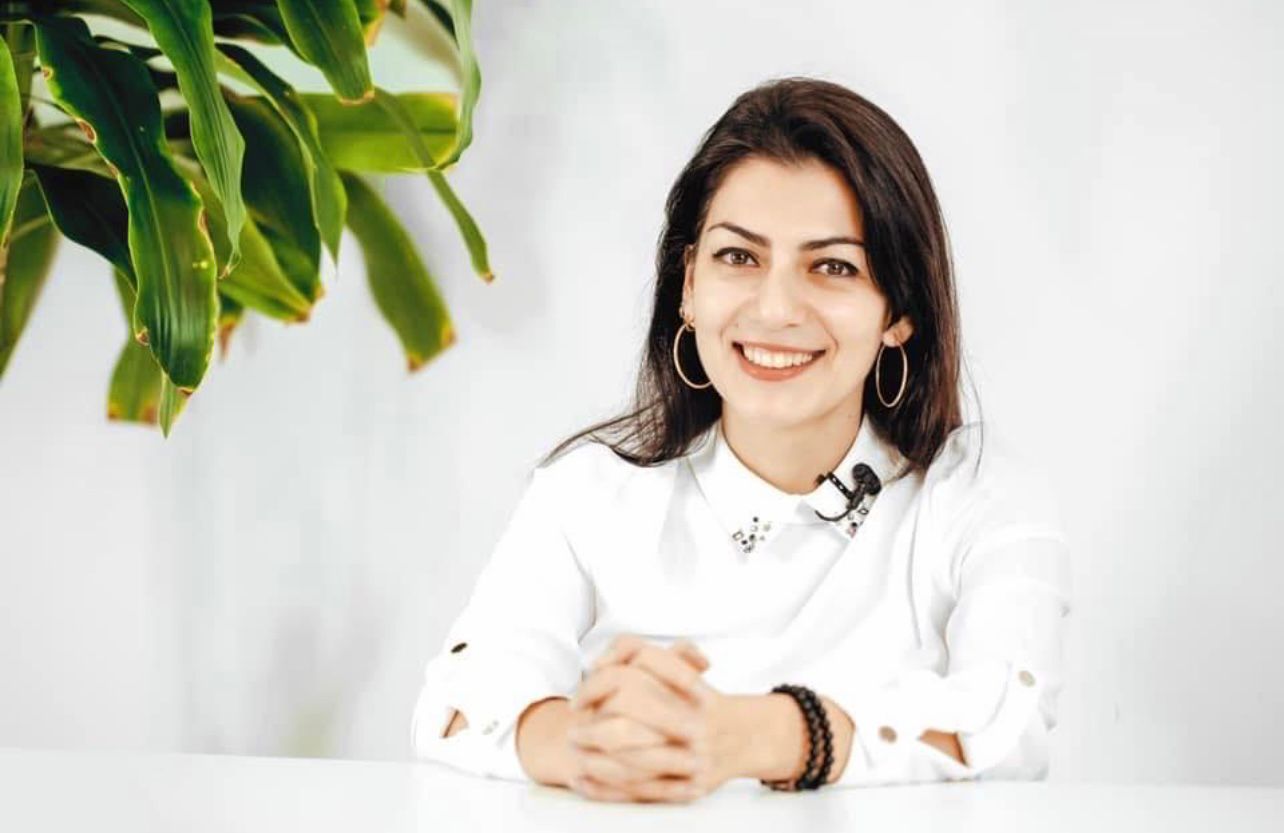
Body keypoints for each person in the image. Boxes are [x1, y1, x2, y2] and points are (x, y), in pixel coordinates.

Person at [410, 76, 1072, 803]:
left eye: (833, 266)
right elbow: (454, 706)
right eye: (738, 257)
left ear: (900, 311)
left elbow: (1009, 724)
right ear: (688, 284)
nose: (776, 308)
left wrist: (755, 735)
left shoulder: (976, 496)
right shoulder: (585, 495)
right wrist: (586, 742)